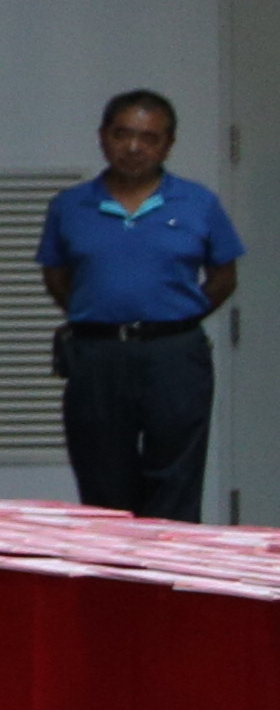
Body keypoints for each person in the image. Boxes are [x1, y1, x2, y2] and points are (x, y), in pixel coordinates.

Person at [40, 88, 237, 520]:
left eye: (149, 138)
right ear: (103, 137)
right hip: (97, 355)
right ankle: (112, 564)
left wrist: (175, 317)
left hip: (175, 355)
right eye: (122, 134)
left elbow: (224, 278)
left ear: (168, 145)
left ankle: (170, 563)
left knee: (176, 479)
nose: (133, 147)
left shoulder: (199, 203)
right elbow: (55, 275)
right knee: (102, 483)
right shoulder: (70, 206)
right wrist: (101, 315)